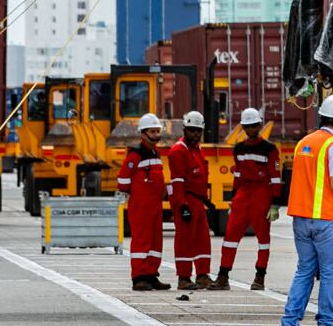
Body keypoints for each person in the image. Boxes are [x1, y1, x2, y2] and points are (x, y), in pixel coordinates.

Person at [282, 94, 333, 326]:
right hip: (325, 219)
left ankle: (290, 325)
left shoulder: (305, 142)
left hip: (301, 219)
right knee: (329, 274)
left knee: (304, 271)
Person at [214, 108, 280, 291]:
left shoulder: (269, 149)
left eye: (253, 126)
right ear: (243, 127)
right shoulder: (239, 149)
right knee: (230, 237)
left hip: (261, 194)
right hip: (243, 195)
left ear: (259, 125)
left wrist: (275, 203)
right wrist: (234, 199)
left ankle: (260, 277)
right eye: (247, 126)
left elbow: (275, 177)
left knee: (263, 239)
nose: (251, 129)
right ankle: (223, 276)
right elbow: (238, 175)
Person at [165, 112, 216, 289]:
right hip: (186, 199)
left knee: (203, 239)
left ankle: (202, 275)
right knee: (185, 240)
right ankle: (184, 277)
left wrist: (206, 200)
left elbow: (200, 177)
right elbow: (177, 181)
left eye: (198, 131)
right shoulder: (179, 151)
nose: (195, 134)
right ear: (185, 130)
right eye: (192, 130)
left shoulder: (197, 149)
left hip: (197, 200)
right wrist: (182, 205)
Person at [117, 112, 168, 291]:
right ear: (143, 133)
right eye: (152, 132)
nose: (156, 134)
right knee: (141, 241)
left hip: (155, 206)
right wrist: (132, 194)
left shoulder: (156, 153)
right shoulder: (136, 155)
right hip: (140, 206)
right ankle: (139, 277)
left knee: (155, 242)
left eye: (157, 131)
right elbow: (123, 180)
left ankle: (151, 274)